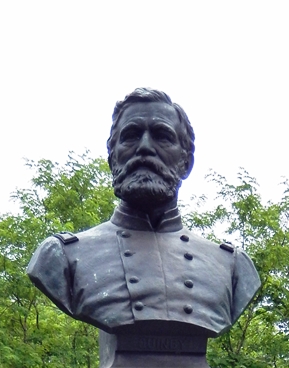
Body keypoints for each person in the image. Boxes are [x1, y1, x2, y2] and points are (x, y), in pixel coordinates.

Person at [27, 89, 260, 337]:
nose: (145, 148)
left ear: (186, 163)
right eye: (131, 136)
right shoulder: (62, 256)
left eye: (162, 137)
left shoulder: (232, 266)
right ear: (112, 159)